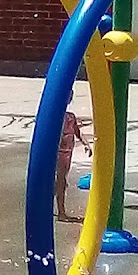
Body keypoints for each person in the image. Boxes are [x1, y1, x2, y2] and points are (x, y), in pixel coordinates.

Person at [56, 90, 93, 220]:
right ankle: (60, 212)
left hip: (67, 153)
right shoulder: (55, 116)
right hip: (58, 153)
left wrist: (86, 144)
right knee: (60, 182)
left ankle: (60, 209)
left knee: (61, 181)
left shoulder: (70, 117)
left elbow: (78, 132)